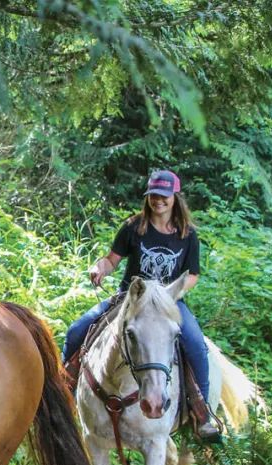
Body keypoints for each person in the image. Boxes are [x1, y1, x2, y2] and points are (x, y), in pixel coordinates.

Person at [62, 169, 221, 441]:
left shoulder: (187, 234)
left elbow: (192, 274)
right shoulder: (134, 227)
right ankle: (63, 395)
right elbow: (112, 260)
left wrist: (172, 294)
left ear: (175, 197)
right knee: (78, 329)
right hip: (130, 299)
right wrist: (99, 267)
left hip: (168, 301)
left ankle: (201, 410)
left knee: (195, 343)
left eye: (164, 196)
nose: (158, 200)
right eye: (153, 195)